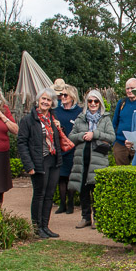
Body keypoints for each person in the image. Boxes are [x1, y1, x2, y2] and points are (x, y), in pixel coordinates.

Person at [18, 88, 65, 239]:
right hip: (39, 160)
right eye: (43, 99)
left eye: (48, 100)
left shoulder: (52, 119)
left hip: (53, 160)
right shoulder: (28, 120)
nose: (45, 102)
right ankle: (36, 227)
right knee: (39, 194)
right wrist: (29, 165)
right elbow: (22, 143)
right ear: (38, 100)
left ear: (52, 103)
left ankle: (45, 226)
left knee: (49, 195)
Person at [69, 89, 116, 228]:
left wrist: (94, 134)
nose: (93, 103)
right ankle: (85, 217)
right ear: (87, 103)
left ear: (100, 103)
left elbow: (111, 137)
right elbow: (71, 136)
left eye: (96, 101)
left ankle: (97, 218)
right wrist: (83, 135)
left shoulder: (105, 119)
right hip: (82, 159)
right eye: (90, 101)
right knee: (83, 189)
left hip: (98, 158)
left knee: (96, 190)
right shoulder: (80, 118)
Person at [52, 80, 82, 213]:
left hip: (73, 148)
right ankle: (62, 204)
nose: (62, 97)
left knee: (71, 176)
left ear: (72, 97)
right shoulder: (56, 111)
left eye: (65, 95)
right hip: (60, 148)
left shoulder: (79, 112)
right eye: (61, 95)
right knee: (61, 177)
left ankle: (71, 203)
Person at [111, 77, 136, 166]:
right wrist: (114, 142)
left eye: (132, 88)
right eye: (127, 88)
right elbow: (114, 122)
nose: (129, 90)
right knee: (121, 172)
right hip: (120, 143)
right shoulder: (121, 103)